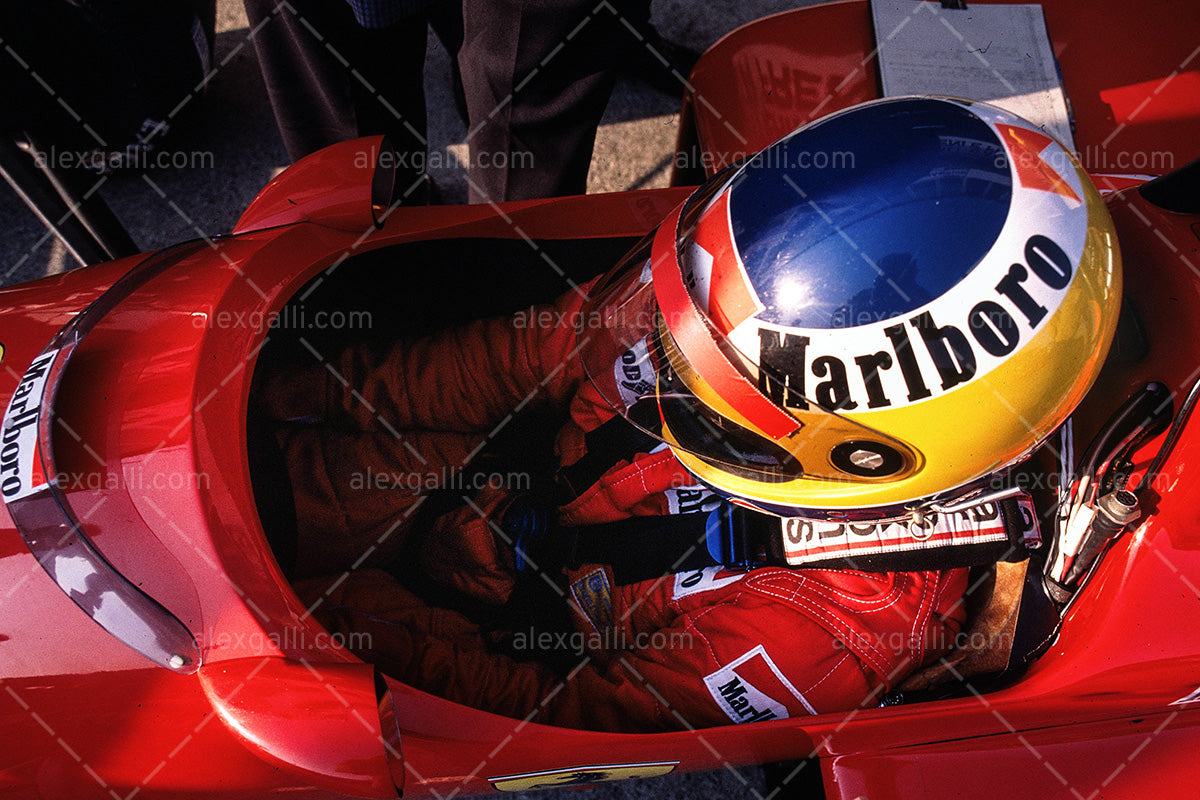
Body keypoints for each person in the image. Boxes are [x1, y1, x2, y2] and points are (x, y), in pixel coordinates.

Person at [257, 97, 1121, 731]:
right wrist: (291, 393)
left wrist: (331, 657)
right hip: (481, 480)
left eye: (720, 403)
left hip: (508, 632)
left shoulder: (827, 631)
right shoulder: (722, 297)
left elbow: (572, 714)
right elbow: (526, 358)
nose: (677, 368)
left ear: (871, 461)